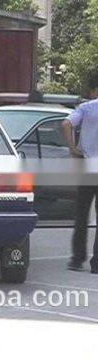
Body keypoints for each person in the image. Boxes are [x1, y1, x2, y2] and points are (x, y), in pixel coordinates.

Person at [62, 72, 98, 274]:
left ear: (94, 90)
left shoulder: (85, 108)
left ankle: (77, 259)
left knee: (82, 213)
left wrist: (73, 148)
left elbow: (65, 124)